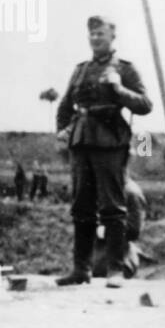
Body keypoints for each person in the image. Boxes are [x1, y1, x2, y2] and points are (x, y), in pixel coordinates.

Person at [54, 16, 152, 287]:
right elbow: (64, 106)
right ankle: (80, 270)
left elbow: (145, 104)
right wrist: (62, 130)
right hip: (81, 140)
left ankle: (116, 270)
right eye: (92, 34)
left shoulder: (125, 68)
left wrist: (119, 88)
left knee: (113, 207)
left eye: (101, 34)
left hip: (110, 140)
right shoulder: (80, 69)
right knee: (81, 207)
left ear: (112, 36)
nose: (95, 38)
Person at [92, 176, 146, 279]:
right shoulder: (107, 188)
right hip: (98, 259)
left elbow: (133, 230)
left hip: (121, 261)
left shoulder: (130, 192)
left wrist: (104, 231)